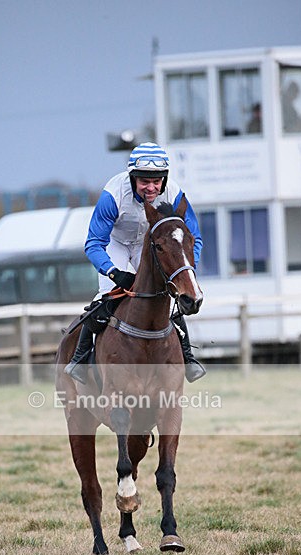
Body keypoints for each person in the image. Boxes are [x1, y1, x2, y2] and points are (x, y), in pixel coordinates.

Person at [64, 142, 205, 383]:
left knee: (167, 296)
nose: (151, 188)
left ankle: (188, 357)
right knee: (106, 297)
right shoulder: (114, 194)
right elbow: (94, 244)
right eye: (144, 181)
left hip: (151, 245)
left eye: (156, 181)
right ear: (132, 178)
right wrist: (113, 272)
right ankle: (79, 357)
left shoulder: (175, 193)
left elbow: (194, 239)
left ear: (165, 178)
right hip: (115, 243)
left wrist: (184, 270)